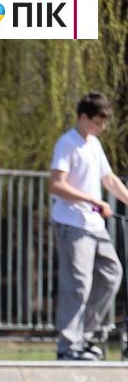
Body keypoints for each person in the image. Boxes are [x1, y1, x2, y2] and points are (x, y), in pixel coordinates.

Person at [49, 92, 127, 361]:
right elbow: (56, 184)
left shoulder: (93, 144)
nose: (102, 128)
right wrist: (92, 200)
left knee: (111, 274)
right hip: (72, 224)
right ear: (83, 117)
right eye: (98, 122)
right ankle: (67, 346)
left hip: (95, 226)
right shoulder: (67, 144)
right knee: (77, 284)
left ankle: (84, 336)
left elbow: (110, 180)